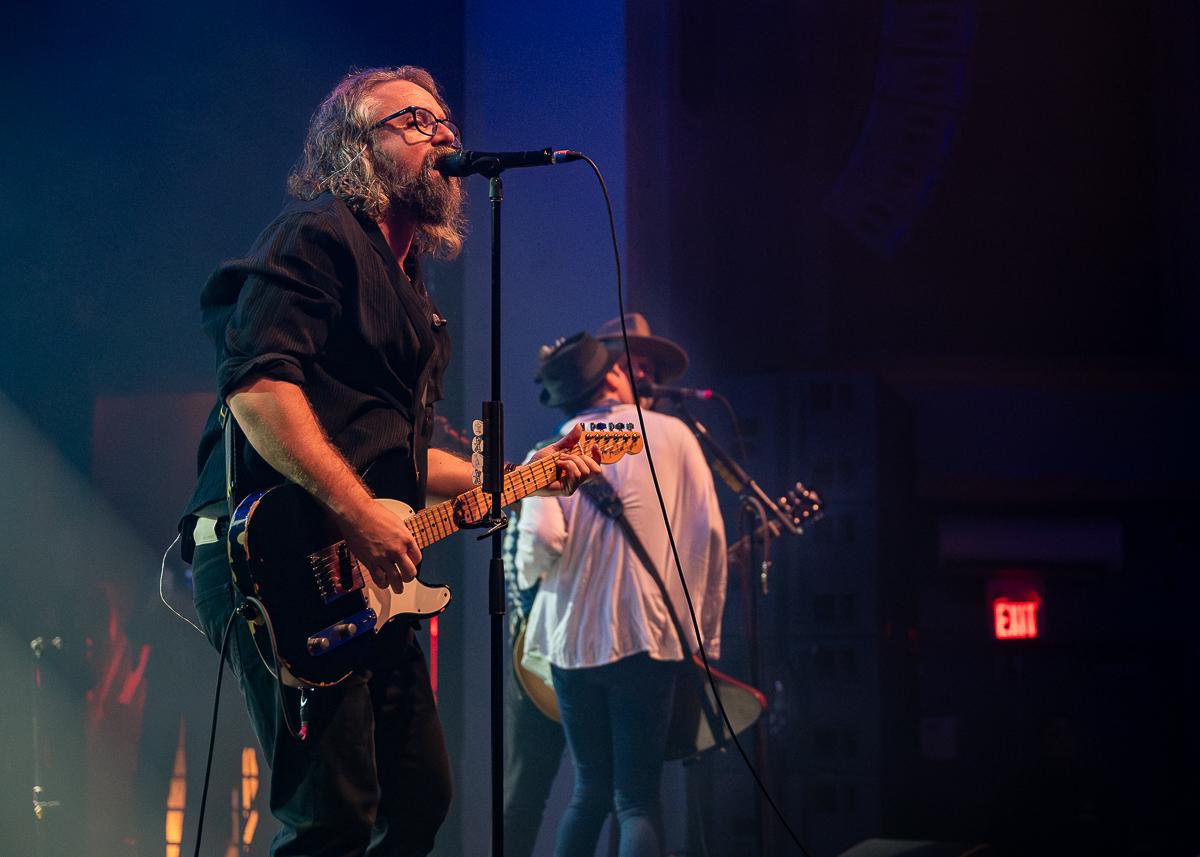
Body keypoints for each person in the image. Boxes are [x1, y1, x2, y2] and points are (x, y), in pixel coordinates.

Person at [178, 66, 599, 857]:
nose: (443, 133)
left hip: (362, 579)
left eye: (444, 121)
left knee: (419, 799)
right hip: (275, 554)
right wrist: (356, 510)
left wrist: (524, 472)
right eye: (414, 120)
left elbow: (402, 461)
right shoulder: (315, 236)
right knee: (330, 815)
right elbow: (259, 385)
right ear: (355, 147)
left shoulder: (414, 293)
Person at [513, 331, 727, 857]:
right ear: (609, 377)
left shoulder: (547, 452)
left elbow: (540, 541)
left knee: (588, 792)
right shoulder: (674, 435)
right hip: (646, 636)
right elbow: (709, 537)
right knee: (636, 800)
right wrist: (704, 637)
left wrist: (532, 579)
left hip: (571, 643)